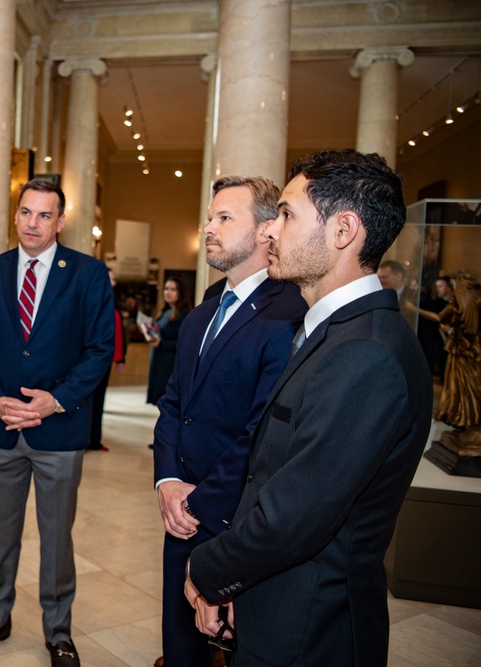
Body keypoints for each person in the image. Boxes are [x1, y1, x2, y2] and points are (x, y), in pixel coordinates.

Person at [185, 149, 433, 666]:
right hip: (278, 607)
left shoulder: (367, 354)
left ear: (343, 230)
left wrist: (208, 570)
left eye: (288, 215)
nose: (269, 232)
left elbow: (294, 516)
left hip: (309, 633)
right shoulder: (335, 333)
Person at [152, 176, 306, 667]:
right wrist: (168, 480)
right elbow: (174, 404)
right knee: (180, 646)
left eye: (224, 217)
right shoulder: (202, 312)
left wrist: (198, 502)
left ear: (267, 230)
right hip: (181, 513)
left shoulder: (288, 314)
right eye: (210, 217)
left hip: (237, 522)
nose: (208, 227)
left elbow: (262, 432)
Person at [0, 178, 114, 667]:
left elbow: (99, 351)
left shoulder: (88, 275)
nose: (33, 223)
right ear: (16, 215)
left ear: (60, 221)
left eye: (44, 215)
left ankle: (58, 631)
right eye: (26, 212)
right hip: (0, 428)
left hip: (59, 431)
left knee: (56, 540)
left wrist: (57, 401)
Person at [436, 270, 481, 429]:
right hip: (466, 349)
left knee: (464, 386)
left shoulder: (462, 303)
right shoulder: (469, 303)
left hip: (465, 350)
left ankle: (467, 420)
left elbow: (441, 317)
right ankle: (465, 419)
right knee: (461, 386)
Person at [88, 268, 127, 452]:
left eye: (113, 279)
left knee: (98, 400)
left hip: (106, 357)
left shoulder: (110, 299)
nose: (113, 282)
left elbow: (119, 330)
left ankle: (94, 439)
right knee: (89, 400)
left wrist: (121, 357)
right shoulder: (94, 299)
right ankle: (88, 439)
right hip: (93, 358)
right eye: (109, 278)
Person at [146, 276, 193, 407]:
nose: (168, 292)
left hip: (170, 364)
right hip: (159, 361)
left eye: (173, 289)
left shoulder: (184, 315)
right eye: (166, 288)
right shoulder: (166, 311)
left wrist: (161, 343)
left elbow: (184, 344)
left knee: (166, 404)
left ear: (181, 293)